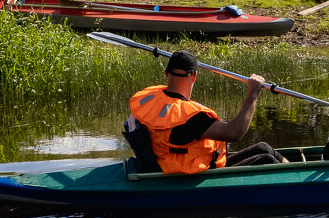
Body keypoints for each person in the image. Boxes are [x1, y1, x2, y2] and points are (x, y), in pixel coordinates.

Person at [123, 50, 287, 174]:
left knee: (264, 148)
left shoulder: (149, 99)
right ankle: (300, 181)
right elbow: (235, 133)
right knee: (266, 160)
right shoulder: (191, 116)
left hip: (164, 161)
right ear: (194, 76)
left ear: (166, 73)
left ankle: (300, 170)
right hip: (188, 174)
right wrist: (252, 95)